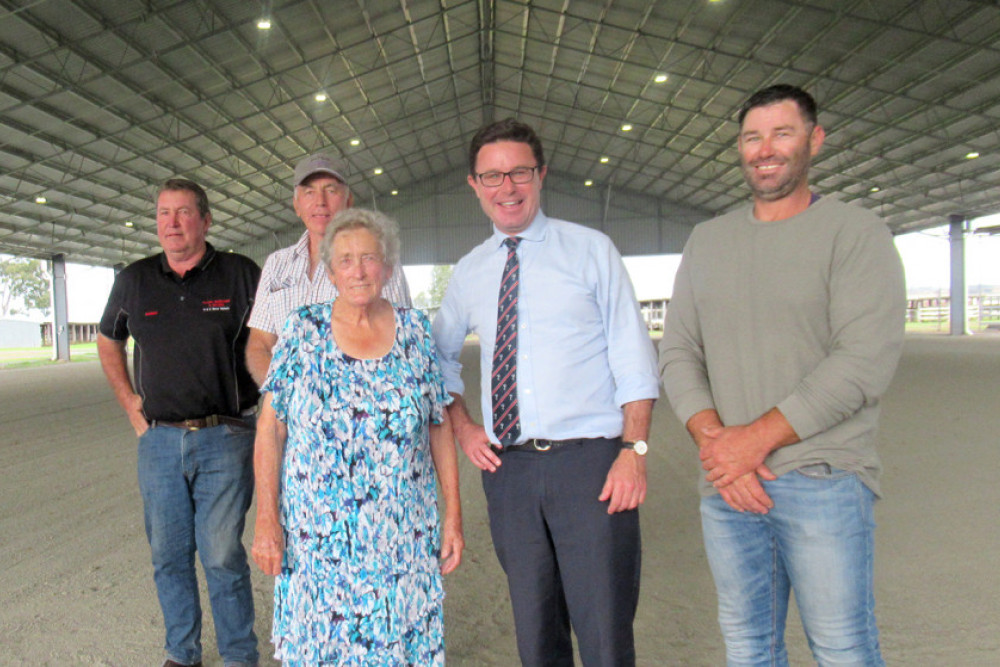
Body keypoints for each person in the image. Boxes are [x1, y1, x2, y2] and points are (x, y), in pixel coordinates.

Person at [658, 84, 905, 666]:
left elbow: (862, 361)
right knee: (748, 648)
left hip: (823, 478)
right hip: (728, 487)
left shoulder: (856, 234)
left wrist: (751, 442)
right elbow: (678, 353)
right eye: (752, 137)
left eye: (782, 133)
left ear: (814, 140)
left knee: (842, 647)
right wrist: (717, 445)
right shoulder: (708, 241)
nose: (764, 149)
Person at [433, 118, 659, 666]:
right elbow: (435, 359)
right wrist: (463, 425)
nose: (506, 187)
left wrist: (634, 452)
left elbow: (634, 358)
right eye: (492, 176)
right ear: (474, 185)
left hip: (593, 465)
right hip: (509, 473)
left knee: (604, 631)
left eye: (519, 173)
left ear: (541, 175)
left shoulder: (591, 251)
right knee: (536, 633)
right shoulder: (469, 271)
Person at [251, 207, 464, 665]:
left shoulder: (415, 334)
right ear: (329, 272)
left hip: (401, 538)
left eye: (369, 258)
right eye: (345, 260)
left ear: (387, 267)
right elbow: (270, 429)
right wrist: (266, 519)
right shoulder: (301, 331)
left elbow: (438, 428)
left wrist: (453, 517)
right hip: (317, 543)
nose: (359, 270)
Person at [97, 178, 260, 667]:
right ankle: (181, 654)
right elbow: (109, 340)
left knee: (221, 555)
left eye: (184, 212)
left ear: (206, 221)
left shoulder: (240, 274)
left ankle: (237, 655)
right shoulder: (134, 279)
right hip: (160, 442)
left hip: (226, 436)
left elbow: (272, 340)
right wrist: (129, 402)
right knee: (168, 556)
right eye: (164, 213)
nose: (172, 222)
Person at [245, 153, 411, 386]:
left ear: (348, 201)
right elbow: (259, 344)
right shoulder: (276, 265)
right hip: (290, 413)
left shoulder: (375, 265)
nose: (320, 201)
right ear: (296, 204)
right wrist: (284, 397)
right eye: (309, 192)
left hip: (356, 413)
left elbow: (399, 343)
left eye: (331, 190)